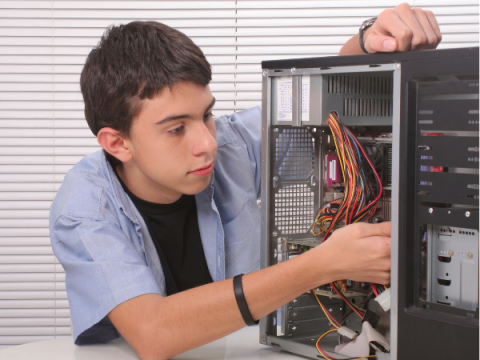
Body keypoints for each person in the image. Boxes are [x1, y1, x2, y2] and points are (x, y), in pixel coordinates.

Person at [49, 3, 441, 360]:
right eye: (175, 129)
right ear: (118, 143)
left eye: (205, 115)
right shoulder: (85, 207)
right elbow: (155, 334)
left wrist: (370, 40)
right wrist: (319, 266)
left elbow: (323, 98)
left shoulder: (229, 143)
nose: (207, 143)